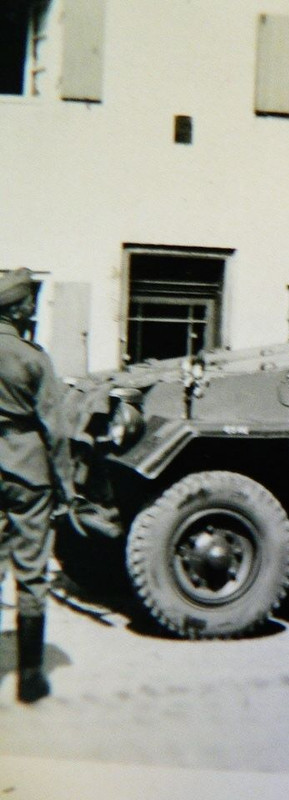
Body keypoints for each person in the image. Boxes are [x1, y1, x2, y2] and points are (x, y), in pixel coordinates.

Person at [0, 268, 70, 702]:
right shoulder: (34, 358)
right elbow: (56, 431)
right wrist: (65, 488)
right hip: (27, 470)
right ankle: (30, 678)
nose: (33, 308)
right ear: (18, 308)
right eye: (30, 302)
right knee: (31, 571)